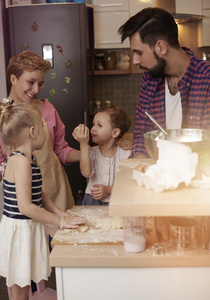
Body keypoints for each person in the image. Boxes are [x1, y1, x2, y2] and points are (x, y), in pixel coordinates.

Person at [0, 102, 86, 300]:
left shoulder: (29, 159)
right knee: (20, 292)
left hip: (29, 229)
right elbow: (26, 206)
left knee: (26, 283)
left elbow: (40, 194)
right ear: (33, 131)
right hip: (19, 233)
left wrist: (60, 213)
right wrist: (60, 222)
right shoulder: (19, 161)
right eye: (42, 127)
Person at [0, 50, 80, 235]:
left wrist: (88, 153)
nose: (36, 90)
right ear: (13, 79)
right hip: (24, 203)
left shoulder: (47, 109)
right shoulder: (4, 117)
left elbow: (61, 149)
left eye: (40, 84)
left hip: (55, 192)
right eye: (31, 82)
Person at [118, 7, 210, 158]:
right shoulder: (150, 78)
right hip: (159, 174)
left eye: (138, 52)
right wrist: (141, 165)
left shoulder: (206, 78)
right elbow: (142, 131)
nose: (135, 61)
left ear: (161, 47)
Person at [72, 106, 131, 205]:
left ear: (115, 132)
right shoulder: (89, 151)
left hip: (116, 201)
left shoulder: (125, 156)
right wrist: (83, 144)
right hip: (92, 201)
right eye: (93, 124)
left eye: (99, 125)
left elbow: (128, 185)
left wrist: (108, 190)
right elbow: (86, 173)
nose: (93, 129)